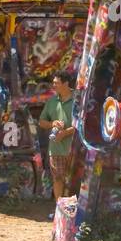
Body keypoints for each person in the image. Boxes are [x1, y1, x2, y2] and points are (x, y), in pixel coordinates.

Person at [38, 72, 78, 201]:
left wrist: (65, 133)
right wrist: (52, 123)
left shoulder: (78, 100)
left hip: (75, 149)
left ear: (66, 84)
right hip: (56, 149)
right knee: (57, 178)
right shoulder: (52, 101)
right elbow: (41, 122)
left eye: (56, 83)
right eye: (53, 82)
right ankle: (59, 209)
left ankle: (72, 211)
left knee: (74, 180)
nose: (53, 85)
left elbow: (81, 124)